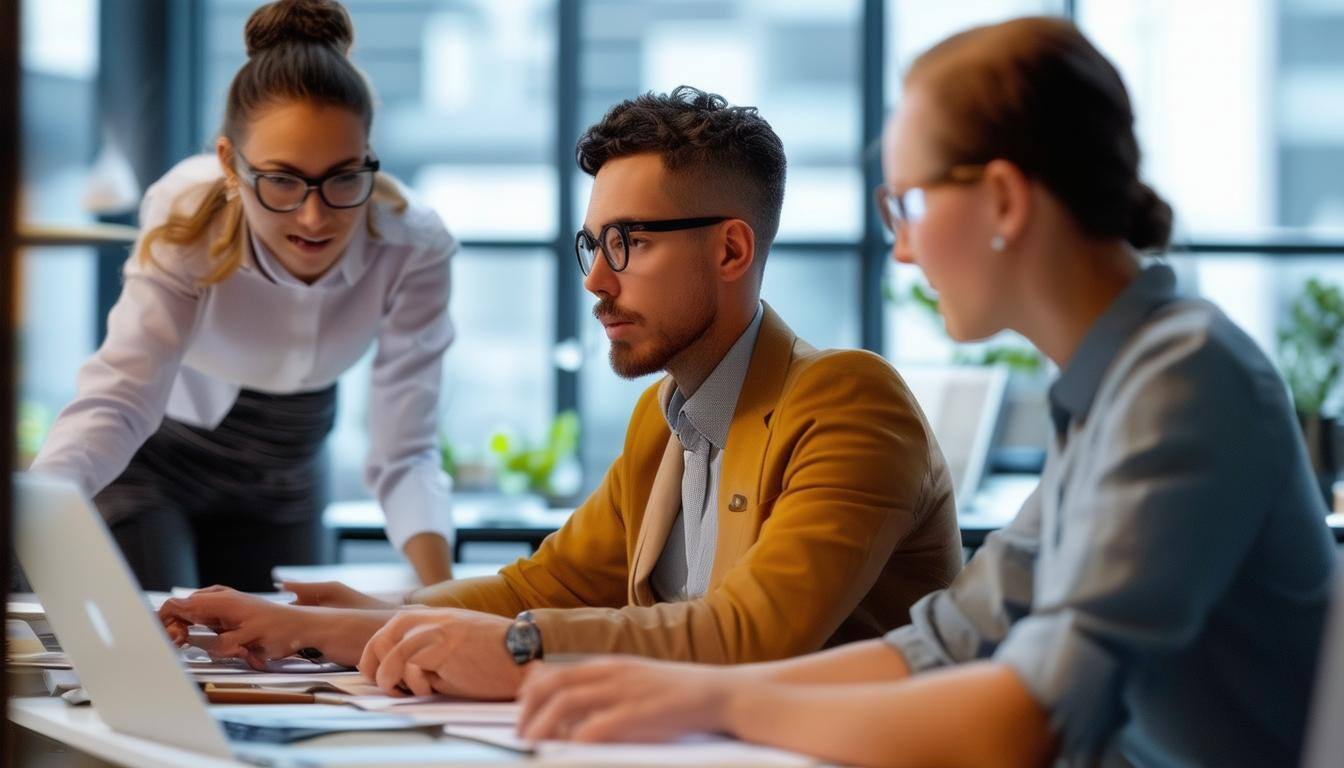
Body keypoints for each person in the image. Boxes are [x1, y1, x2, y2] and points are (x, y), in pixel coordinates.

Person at [513, 18, 1339, 767]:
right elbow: (941, 646)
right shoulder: (1113, 391)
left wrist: (714, 699)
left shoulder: (1182, 383)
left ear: (1005, 201)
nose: (902, 251)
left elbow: (1023, 719)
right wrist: (686, 696)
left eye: (906, 204)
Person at [156, 85, 965, 701]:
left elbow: (750, 634)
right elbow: (539, 587)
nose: (596, 279)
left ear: (730, 249)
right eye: (593, 241)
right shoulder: (666, 419)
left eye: (629, 243)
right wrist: (328, 626)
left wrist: (517, 651)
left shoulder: (850, 402)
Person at [31, 0, 457, 590]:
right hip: (158, 459)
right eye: (282, 179)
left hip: (288, 470)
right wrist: (34, 518)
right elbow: (120, 400)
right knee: (161, 643)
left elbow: (404, 450)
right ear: (231, 165)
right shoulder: (187, 215)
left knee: (295, 664)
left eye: (343, 176)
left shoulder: (414, 242)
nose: (314, 216)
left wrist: (446, 597)